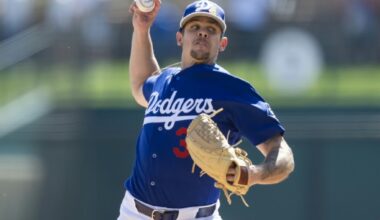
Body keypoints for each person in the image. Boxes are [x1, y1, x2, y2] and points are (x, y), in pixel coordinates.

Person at [119, 0, 295, 219]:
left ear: (222, 43)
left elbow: (282, 153)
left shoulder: (232, 89)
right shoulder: (163, 81)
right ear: (180, 38)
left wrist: (254, 174)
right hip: (135, 212)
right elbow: (139, 85)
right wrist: (142, 29)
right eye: (194, 27)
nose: (202, 33)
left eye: (211, 29)